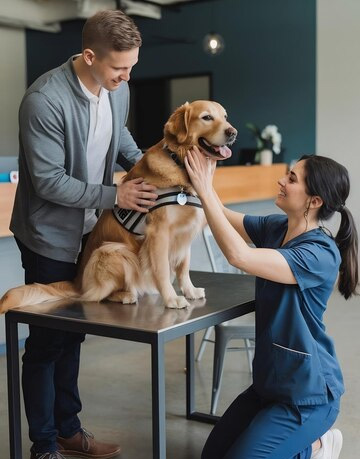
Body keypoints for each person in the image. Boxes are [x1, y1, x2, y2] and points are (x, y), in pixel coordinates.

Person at [10, 10, 158, 459]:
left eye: (132, 66)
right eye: (119, 68)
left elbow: (119, 135)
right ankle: (43, 444)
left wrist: (145, 165)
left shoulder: (119, 88)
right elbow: (50, 180)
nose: (127, 76)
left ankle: (69, 431)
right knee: (46, 341)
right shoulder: (44, 100)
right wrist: (117, 194)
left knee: (74, 334)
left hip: (90, 228)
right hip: (48, 235)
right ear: (89, 56)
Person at [184, 148, 358, 459]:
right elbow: (220, 216)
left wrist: (203, 189)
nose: (281, 181)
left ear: (314, 201)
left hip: (308, 396)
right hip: (268, 385)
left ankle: (318, 446)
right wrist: (204, 179)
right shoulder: (276, 227)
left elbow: (240, 256)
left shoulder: (320, 253)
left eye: (291, 179)